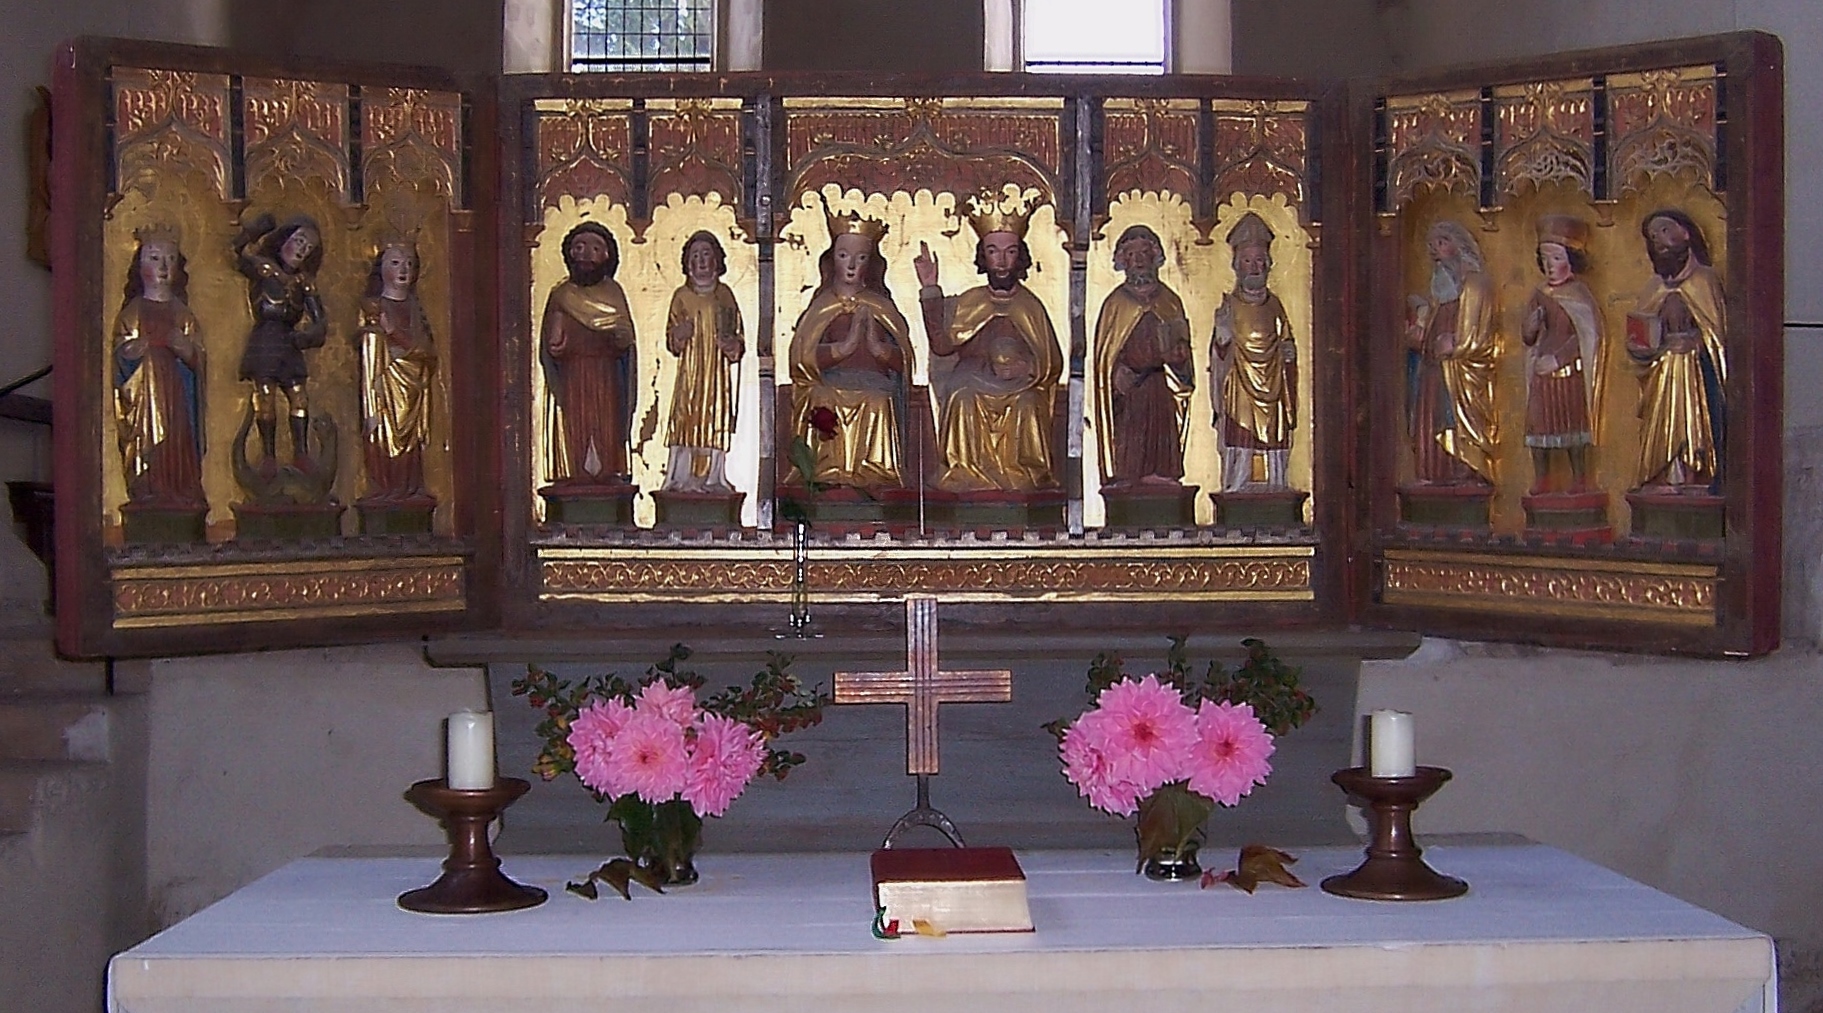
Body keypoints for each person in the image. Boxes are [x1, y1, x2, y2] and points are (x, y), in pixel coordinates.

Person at [913, 192, 1063, 494]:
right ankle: (965, 476)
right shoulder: (972, 301)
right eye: (994, 252)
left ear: (1020, 256)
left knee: (1029, 403)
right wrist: (930, 289)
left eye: (1010, 252)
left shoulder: (1029, 306)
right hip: (972, 379)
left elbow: (1052, 361)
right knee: (962, 396)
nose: (1002, 261)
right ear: (984, 256)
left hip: (1018, 386)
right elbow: (943, 346)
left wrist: (1029, 367)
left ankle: (1024, 477)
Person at [786, 209, 911, 491]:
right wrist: (842, 349)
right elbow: (802, 359)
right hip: (831, 382)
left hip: (873, 383)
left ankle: (876, 471)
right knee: (821, 396)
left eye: (861, 257)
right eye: (844, 256)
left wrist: (880, 350)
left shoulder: (881, 306)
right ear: (833, 260)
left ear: (871, 263)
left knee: (878, 400)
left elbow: (902, 361)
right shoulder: (821, 306)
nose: (852, 265)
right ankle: (825, 470)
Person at [1628, 208, 1727, 492]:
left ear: (1686, 234)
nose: (1659, 239)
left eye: (1664, 230)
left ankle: (1697, 475)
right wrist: (1649, 343)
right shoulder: (1653, 289)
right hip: (1661, 377)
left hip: (1695, 377)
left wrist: (1695, 342)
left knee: (1693, 426)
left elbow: (1719, 337)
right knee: (1659, 429)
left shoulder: (1704, 281)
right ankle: (1661, 476)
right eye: (1652, 236)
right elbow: (1638, 340)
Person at [1092, 224, 1193, 488]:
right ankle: (1127, 475)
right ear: (1123, 260)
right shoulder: (1115, 303)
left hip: (1160, 382)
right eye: (1132, 254)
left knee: (1161, 431)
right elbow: (1105, 356)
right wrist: (1115, 372)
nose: (1138, 260)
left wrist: (1179, 357)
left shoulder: (1169, 300)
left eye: (1144, 253)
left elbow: (1182, 348)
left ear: (1155, 257)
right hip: (1130, 388)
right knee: (1131, 433)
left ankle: (1162, 473)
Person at [114, 227, 206, 509]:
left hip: (176, 394)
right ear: (139, 266)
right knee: (148, 442)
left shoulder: (183, 312)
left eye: (170, 259)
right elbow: (119, 354)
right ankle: (148, 488)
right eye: (155, 258)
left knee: (176, 441)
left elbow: (198, 358)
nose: (164, 267)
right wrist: (131, 352)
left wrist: (187, 350)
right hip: (144, 395)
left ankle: (180, 489)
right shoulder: (132, 312)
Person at [540, 221, 636, 486]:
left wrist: (617, 336)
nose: (586, 254)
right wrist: (559, 338)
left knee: (605, 427)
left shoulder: (613, 292)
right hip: (574, 376)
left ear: (607, 255)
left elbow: (625, 337)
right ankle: (575, 475)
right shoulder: (561, 294)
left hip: (604, 375)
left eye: (595, 248)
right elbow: (552, 348)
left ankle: (608, 473)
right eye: (579, 247)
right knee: (577, 427)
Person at [1405, 218, 1499, 484]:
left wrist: (1457, 345)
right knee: (1429, 419)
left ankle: (1464, 472)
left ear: (1458, 246)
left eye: (1441, 243)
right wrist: (1419, 339)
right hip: (1434, 370)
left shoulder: (1476, 285)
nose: (1434, 251)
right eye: (1431, 245)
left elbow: (1483, 337)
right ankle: (1433, 474)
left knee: (1453, 420)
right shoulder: (1442, 295)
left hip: (1461, 372)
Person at [1210, 213, 1298, 491]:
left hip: (1273, 388)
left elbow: (1286, 342)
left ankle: (1277, 487)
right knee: (1241, 439)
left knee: (1275, 435)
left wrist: (1288, 355)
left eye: (1260, 260)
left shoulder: (1275, 306)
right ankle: (1236, 488)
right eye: (1248, 261)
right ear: (1237, 265)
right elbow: (1218, 358)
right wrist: (1223, 340)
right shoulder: (1229, 307)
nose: (1254, 267)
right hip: (1240, 390)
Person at [235, 214, 325, 473]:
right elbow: (236, 252)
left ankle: (301, 452)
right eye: (298, 241)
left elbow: (321, 322)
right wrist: (255, 231)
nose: (302, 250)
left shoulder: (304, 283)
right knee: (265, 395)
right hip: (265, 338)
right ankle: (268, 455)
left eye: (308, 248)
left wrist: (307, 336)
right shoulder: (264, 269)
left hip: (289, 341)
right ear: (284, 239)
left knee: (299, 396)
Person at [1520, 215, 1604, 493]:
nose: (1549, 266)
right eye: (1545, 259)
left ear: (1571, 259)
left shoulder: (1579, 293)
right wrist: (1530, 327)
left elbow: (1587, 334)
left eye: (1556, 258)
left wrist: (1559, 359)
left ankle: (1580, 478)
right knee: (1538, 422)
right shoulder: (1540, 293)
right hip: (1542, 371)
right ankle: (1541, 477)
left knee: (1572, 424)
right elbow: (1528, 336)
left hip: (1569, 373)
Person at [662, 232, 745, 493]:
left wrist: (733, 345)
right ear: (687, 262)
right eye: (695, 255)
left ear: (717, 260)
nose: (701, 260)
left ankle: (714, 477)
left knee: (714, 413)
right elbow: (671, 338)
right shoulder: (681, 296)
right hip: (691, 369)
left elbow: (738, 334)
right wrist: (679, 335)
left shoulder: (724, 295)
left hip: (716, 372)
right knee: (686, 413)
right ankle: (682, 477)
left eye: (706, 254)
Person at [355, 239, 437, 503]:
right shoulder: (373, 307)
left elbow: (427, 350)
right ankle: (385, 489)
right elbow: (368, 349)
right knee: (381, 436)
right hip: (383, 386)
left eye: (410, 264)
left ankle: (409, 489)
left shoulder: (415, 308)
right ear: (380, 269)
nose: (404, 269)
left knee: (410, 445)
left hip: (412, 386)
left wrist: (394, 334)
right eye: (395, 263)